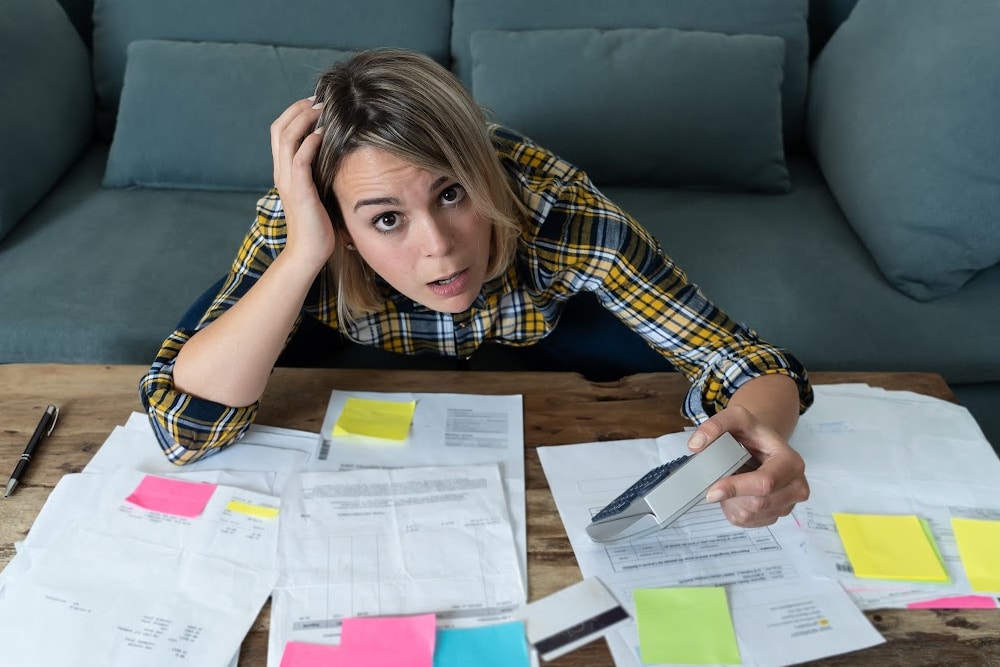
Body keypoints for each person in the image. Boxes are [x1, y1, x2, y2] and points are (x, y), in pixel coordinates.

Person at [140, 48, 814, 528]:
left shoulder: (562, 213)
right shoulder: (304, 228)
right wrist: (304, 255)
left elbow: (745, 361)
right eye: (386, 219)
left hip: (547, 326)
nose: (437, 245)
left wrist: (759, 436)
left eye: (453, 193)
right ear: (338, 223)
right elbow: (183, 422)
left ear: (485, 174)